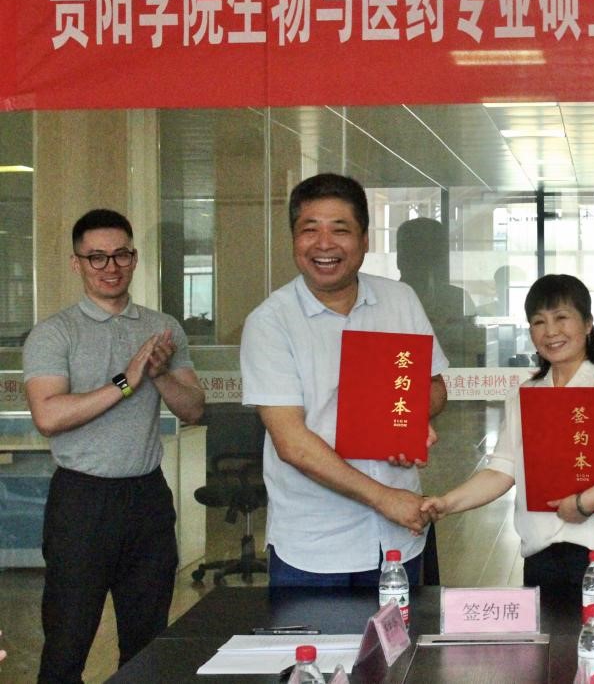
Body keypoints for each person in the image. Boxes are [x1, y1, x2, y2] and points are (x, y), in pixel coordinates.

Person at [23, 209, 205, 683]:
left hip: (147, 497)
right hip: (82, 501)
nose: (111, 266)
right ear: (77, 263)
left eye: (121, 255)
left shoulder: (163, 328)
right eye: (97, 257)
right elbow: (49, 416)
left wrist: (159, 373)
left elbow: (193, 409)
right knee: (67, 644)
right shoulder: (54, 333)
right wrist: (127, 380)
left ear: (134, 258)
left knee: (148, 646)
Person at [241, 173, 449, 588]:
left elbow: (435, 387)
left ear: (365, 240)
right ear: (293, 239)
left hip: (399, 540)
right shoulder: (270, 323)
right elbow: (293, 444)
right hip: (315, 547)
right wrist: (384, 499)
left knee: (404, 633)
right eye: (310, 230)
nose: (324, 244)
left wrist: (408, 421)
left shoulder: (400, 301)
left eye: (340, 229)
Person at [422, 274, 594, 587]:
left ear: (588, 324)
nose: (550, 331)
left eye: (562, 318)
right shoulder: (526, 394)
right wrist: (447, 503)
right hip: (544, 560)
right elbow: (502, 470)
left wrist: (585, 503)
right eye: (538, 322)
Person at [396, 217, 482, 366]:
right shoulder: (386, 301)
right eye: (416, 255)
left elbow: (474, 350)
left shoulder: (458, 299)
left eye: (431, 256)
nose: (423, 265)